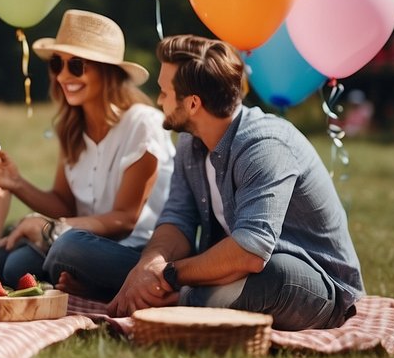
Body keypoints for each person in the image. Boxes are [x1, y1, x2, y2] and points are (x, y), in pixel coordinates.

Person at [110, 34, 365, 331]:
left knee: (277, 274)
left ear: (192, 103)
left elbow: (251, 252)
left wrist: (168, 275)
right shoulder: (189, 144)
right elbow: (177, 218)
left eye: (165, 92)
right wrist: (148, 266)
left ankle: (176, 300)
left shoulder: (263, 146)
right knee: (77, 250)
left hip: (313, 286)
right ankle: (177, 298)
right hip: (222, 273)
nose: (159, 100)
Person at [0, 10, 174, 297]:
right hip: (79, 240)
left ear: (107, 70)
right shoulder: (71, 128)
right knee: (11, 265)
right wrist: (17, 183)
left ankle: (91, 284)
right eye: (57, 64)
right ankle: (84, 283)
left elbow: (125, 220)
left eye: (76, 65)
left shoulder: (143, 123)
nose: (63, 75)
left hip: (137, 250)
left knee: (66, 248)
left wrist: (50, 229)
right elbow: (64, 203)